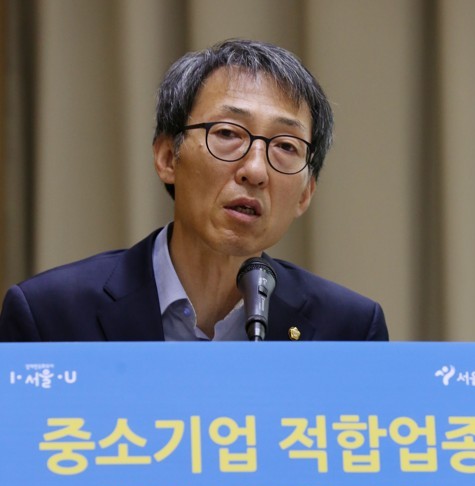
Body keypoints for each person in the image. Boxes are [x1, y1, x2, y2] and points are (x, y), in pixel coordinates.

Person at [0, 39, 388, 342]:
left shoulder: (349, 330)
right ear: (168, 157)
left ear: (306, 193)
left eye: (286, 146)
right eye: (228, 134)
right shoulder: (50, 315)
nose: (255, 170)